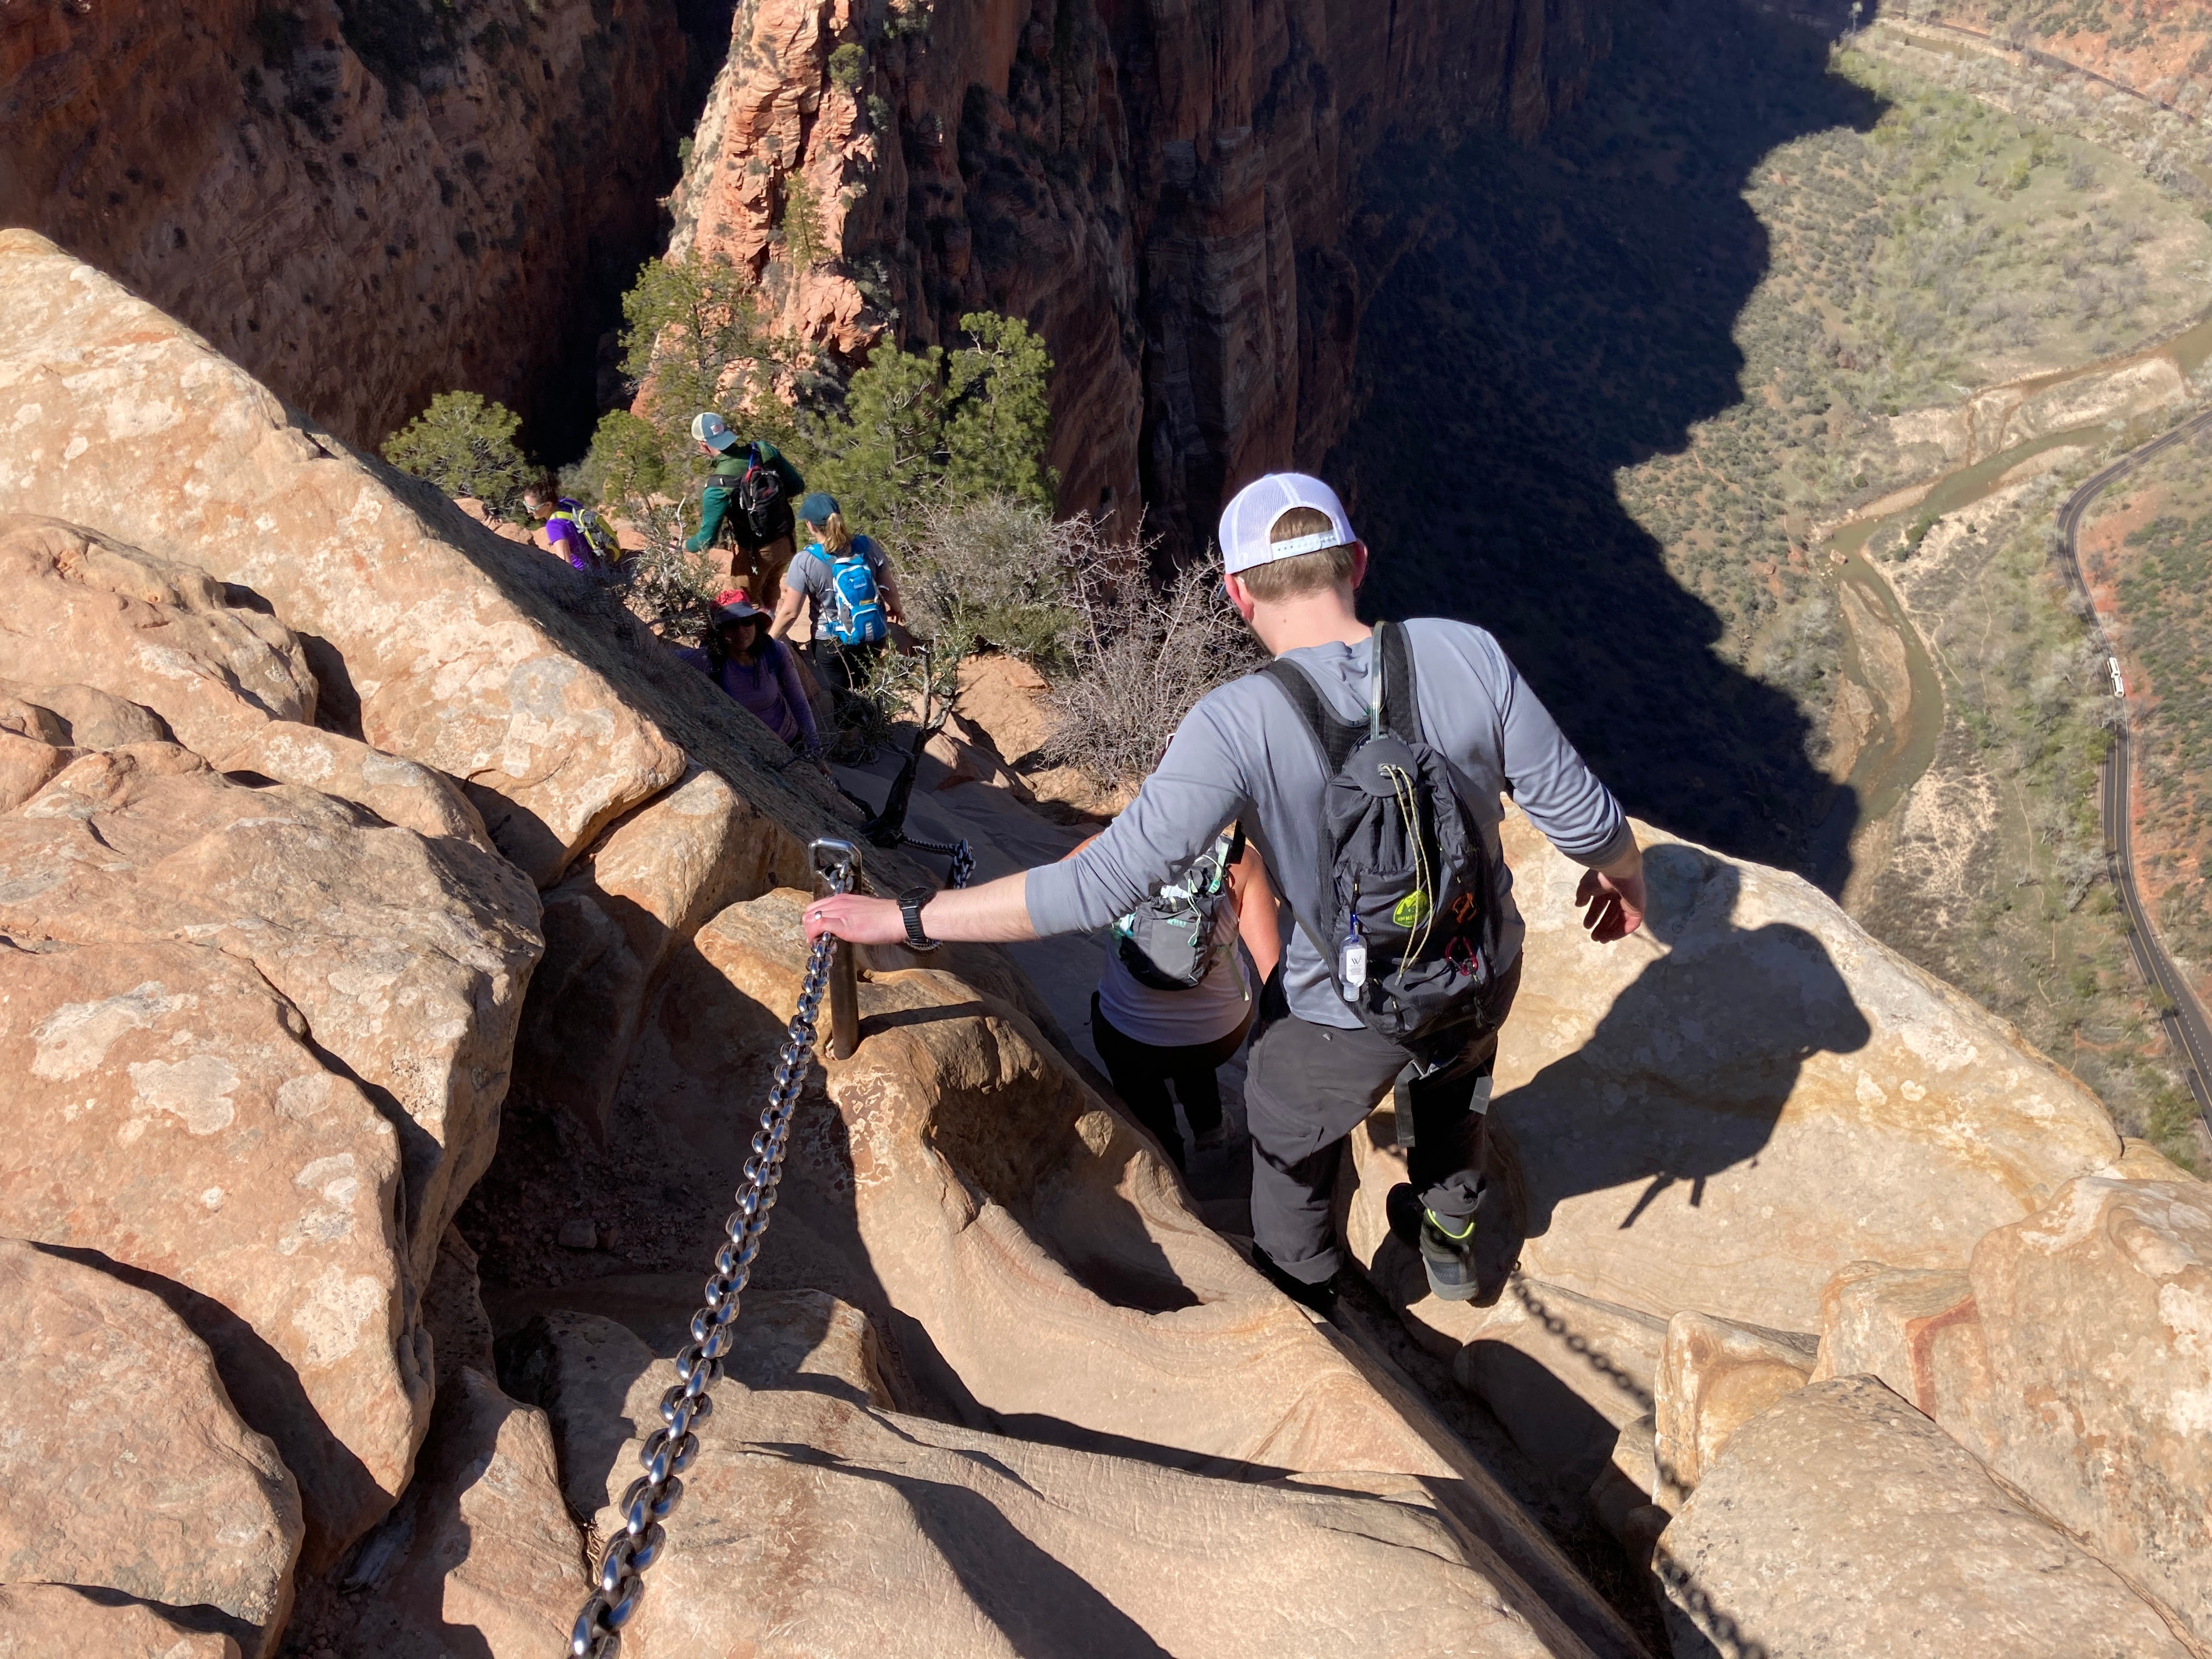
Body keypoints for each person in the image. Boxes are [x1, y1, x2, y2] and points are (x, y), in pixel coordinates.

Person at [800, 472, 1647, 1320]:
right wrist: (1625, 874)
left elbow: (1096, 885)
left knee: (1286, 1139)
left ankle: (1307, 1290)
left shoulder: (1236, 722)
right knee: (1455, 1084)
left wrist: (909, 918)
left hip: (1337, 1018)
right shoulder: (1469, 653)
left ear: (1238, 595)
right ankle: (1448, 1237)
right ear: (1355, 559)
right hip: (1477, 964)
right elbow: (1586, 819)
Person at [1074, 822, 1280, 1172]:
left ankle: (1166, 1157)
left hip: (1129, 1037)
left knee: (1133, 1050)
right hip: (1219, 1036)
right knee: (1192, 1040)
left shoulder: (1104, 850)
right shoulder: (1241, 862)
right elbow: (1274, 972)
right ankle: (1210, 1125)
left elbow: (1047, 902)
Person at [769, 492, 907, 701]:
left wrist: (768, 641)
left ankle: (850, 729)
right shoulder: (867, 546)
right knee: (864, 688)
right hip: (871, 633)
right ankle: (871, 727)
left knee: (841, 698)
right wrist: (896, 608)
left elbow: (790, 613)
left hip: (832, 641)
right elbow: (889, 589)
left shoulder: (805, 560)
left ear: (810, 525)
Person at [674, 590, 822, 764]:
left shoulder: (776, 652)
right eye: (730, 625)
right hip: (745, 757)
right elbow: (662, 656)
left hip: (789, 745)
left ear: (756, 625)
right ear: (719, 631)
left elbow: (799, 704)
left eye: (746, 622)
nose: (740, 631)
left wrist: (815, 753)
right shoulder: (710, 660)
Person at [685, 413, 806, 600]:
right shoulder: (764, 450)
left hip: (757, 552)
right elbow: (797, 486)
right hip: (787, 540)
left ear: (703, 444)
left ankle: (763, 629)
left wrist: (683, 546)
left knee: (747, 606)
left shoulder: (717, 487)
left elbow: (706, 540)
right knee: (770, 593)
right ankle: (774, 629)